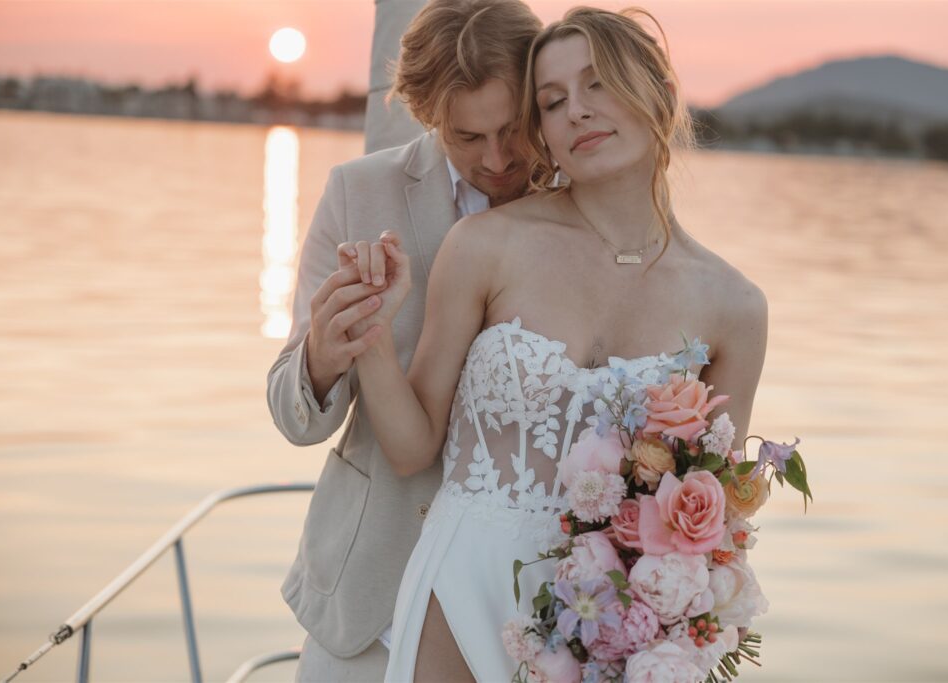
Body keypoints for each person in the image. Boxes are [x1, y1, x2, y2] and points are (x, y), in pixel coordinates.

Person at [338, 6, 769, 681]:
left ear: (656, 89)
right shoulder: (486, 246)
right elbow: (412, 444)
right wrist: (368, 331)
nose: (577, 111)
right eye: (553, 100)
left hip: (609, 623)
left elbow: (705, 527)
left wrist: (658, 638)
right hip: (462, 587)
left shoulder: (735, 307)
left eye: (597, 83)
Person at [265, 1, 542, 680]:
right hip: (367, 599)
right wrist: (323, 359)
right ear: (426, 115)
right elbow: (289, 408)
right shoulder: (358, 192)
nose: (498, 159)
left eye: (512, 129)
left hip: (523, 608)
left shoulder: (580, 209)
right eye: (468, 137)